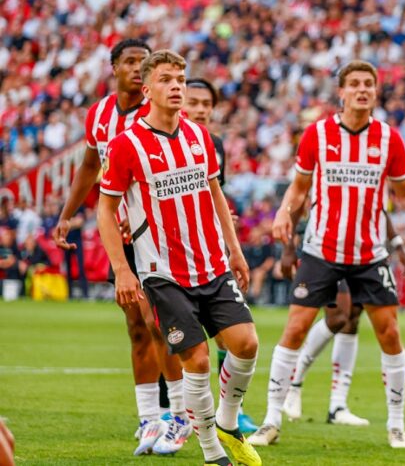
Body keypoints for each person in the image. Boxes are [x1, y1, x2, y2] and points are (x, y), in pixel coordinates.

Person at [249, 60, 405, 450]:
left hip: (370, 253)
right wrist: (284, 212)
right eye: (354, 84)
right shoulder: (317, 134)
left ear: (375, 91)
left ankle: (397, 425)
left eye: (368, 84)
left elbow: (403, 192)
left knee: (390, 333)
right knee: (295, 330)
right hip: (322, 250)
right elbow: (299, 189)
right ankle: (271, 419)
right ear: (341, 92)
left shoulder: (390, 139)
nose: (362, 90)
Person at [98, 50, 261, 466]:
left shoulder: (198, 136)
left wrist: (235, 248)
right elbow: (105, 208)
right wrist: (122, 270)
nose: (176, 86)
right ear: (147, 88)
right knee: (198, 360)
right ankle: (212, 453)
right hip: (163, 273)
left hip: (211, 263)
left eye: (181, 79)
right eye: (167, 79)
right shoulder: (126, 145)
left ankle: (226, 421)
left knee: (247, 345)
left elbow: (214, 193)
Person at [51, 38, 188, 455]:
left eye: (142, 62)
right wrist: (67, 212)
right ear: (114, 68)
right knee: (135, 326)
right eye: (129, 61)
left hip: (158, 236)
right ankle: (149, 419)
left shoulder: (158, 112)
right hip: (121, 237)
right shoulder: (100, 115)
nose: (136, 67)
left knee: (158, 323)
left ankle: (178, 415)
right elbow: (90, 167)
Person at [280, 214, 405, 427]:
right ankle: (294, 384)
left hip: (360, 251)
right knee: (339, 316)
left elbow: (377, 207)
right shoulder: (319, 180)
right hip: (325, 249)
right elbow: (296, 203)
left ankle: (338, 405)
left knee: (352, 318)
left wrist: (396, 243)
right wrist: (289, 246)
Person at [183, 77, 259, 435]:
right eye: (193, 102)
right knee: (163, 334)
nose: (200, 110)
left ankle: (232, 409)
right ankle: (169, 411)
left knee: (229, 336)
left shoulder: (213, 144)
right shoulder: (150, 140)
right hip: (166, 255)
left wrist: (225, 228)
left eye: (206, 104)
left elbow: (214, 194)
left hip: (209, 251)